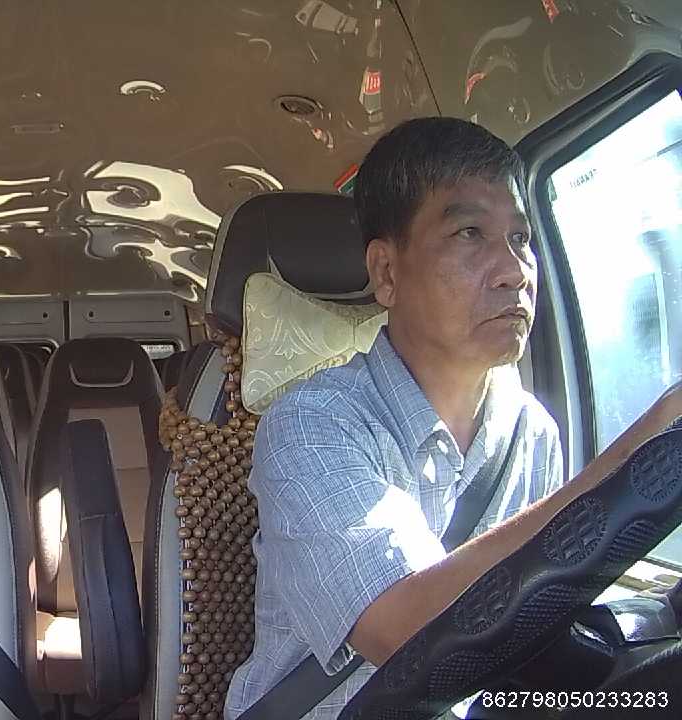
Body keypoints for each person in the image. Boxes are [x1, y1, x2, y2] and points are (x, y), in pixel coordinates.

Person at [224, 117, 682, 719]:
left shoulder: (533, 432)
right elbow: (406, 637)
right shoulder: (311, 426)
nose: (516, 271)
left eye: (520, 238)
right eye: (470, 233)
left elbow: (536, 614)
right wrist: (644, 451)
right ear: (387, 273)